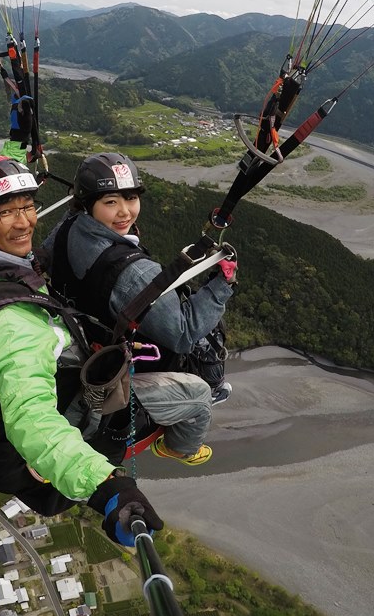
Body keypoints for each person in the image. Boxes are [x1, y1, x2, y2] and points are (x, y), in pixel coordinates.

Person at [0, 153, 167, 545]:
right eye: (7, 212)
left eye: (27, 205)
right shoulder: (8, 320)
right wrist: (106, 486)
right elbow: (30, 415)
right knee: (187, 394)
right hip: (19, 457)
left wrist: (17, 137)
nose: (24, 221)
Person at [42, 152, 238, 463]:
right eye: (110, 202)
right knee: (201, 396)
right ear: (89, 203)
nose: (124, 212)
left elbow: (44, 259)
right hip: (111, 366)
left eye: (130, 198)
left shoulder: (70, 224)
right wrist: (222, 285)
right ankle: (179, 447)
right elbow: (183, 333)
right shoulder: (135, 273)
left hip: (83, 333)